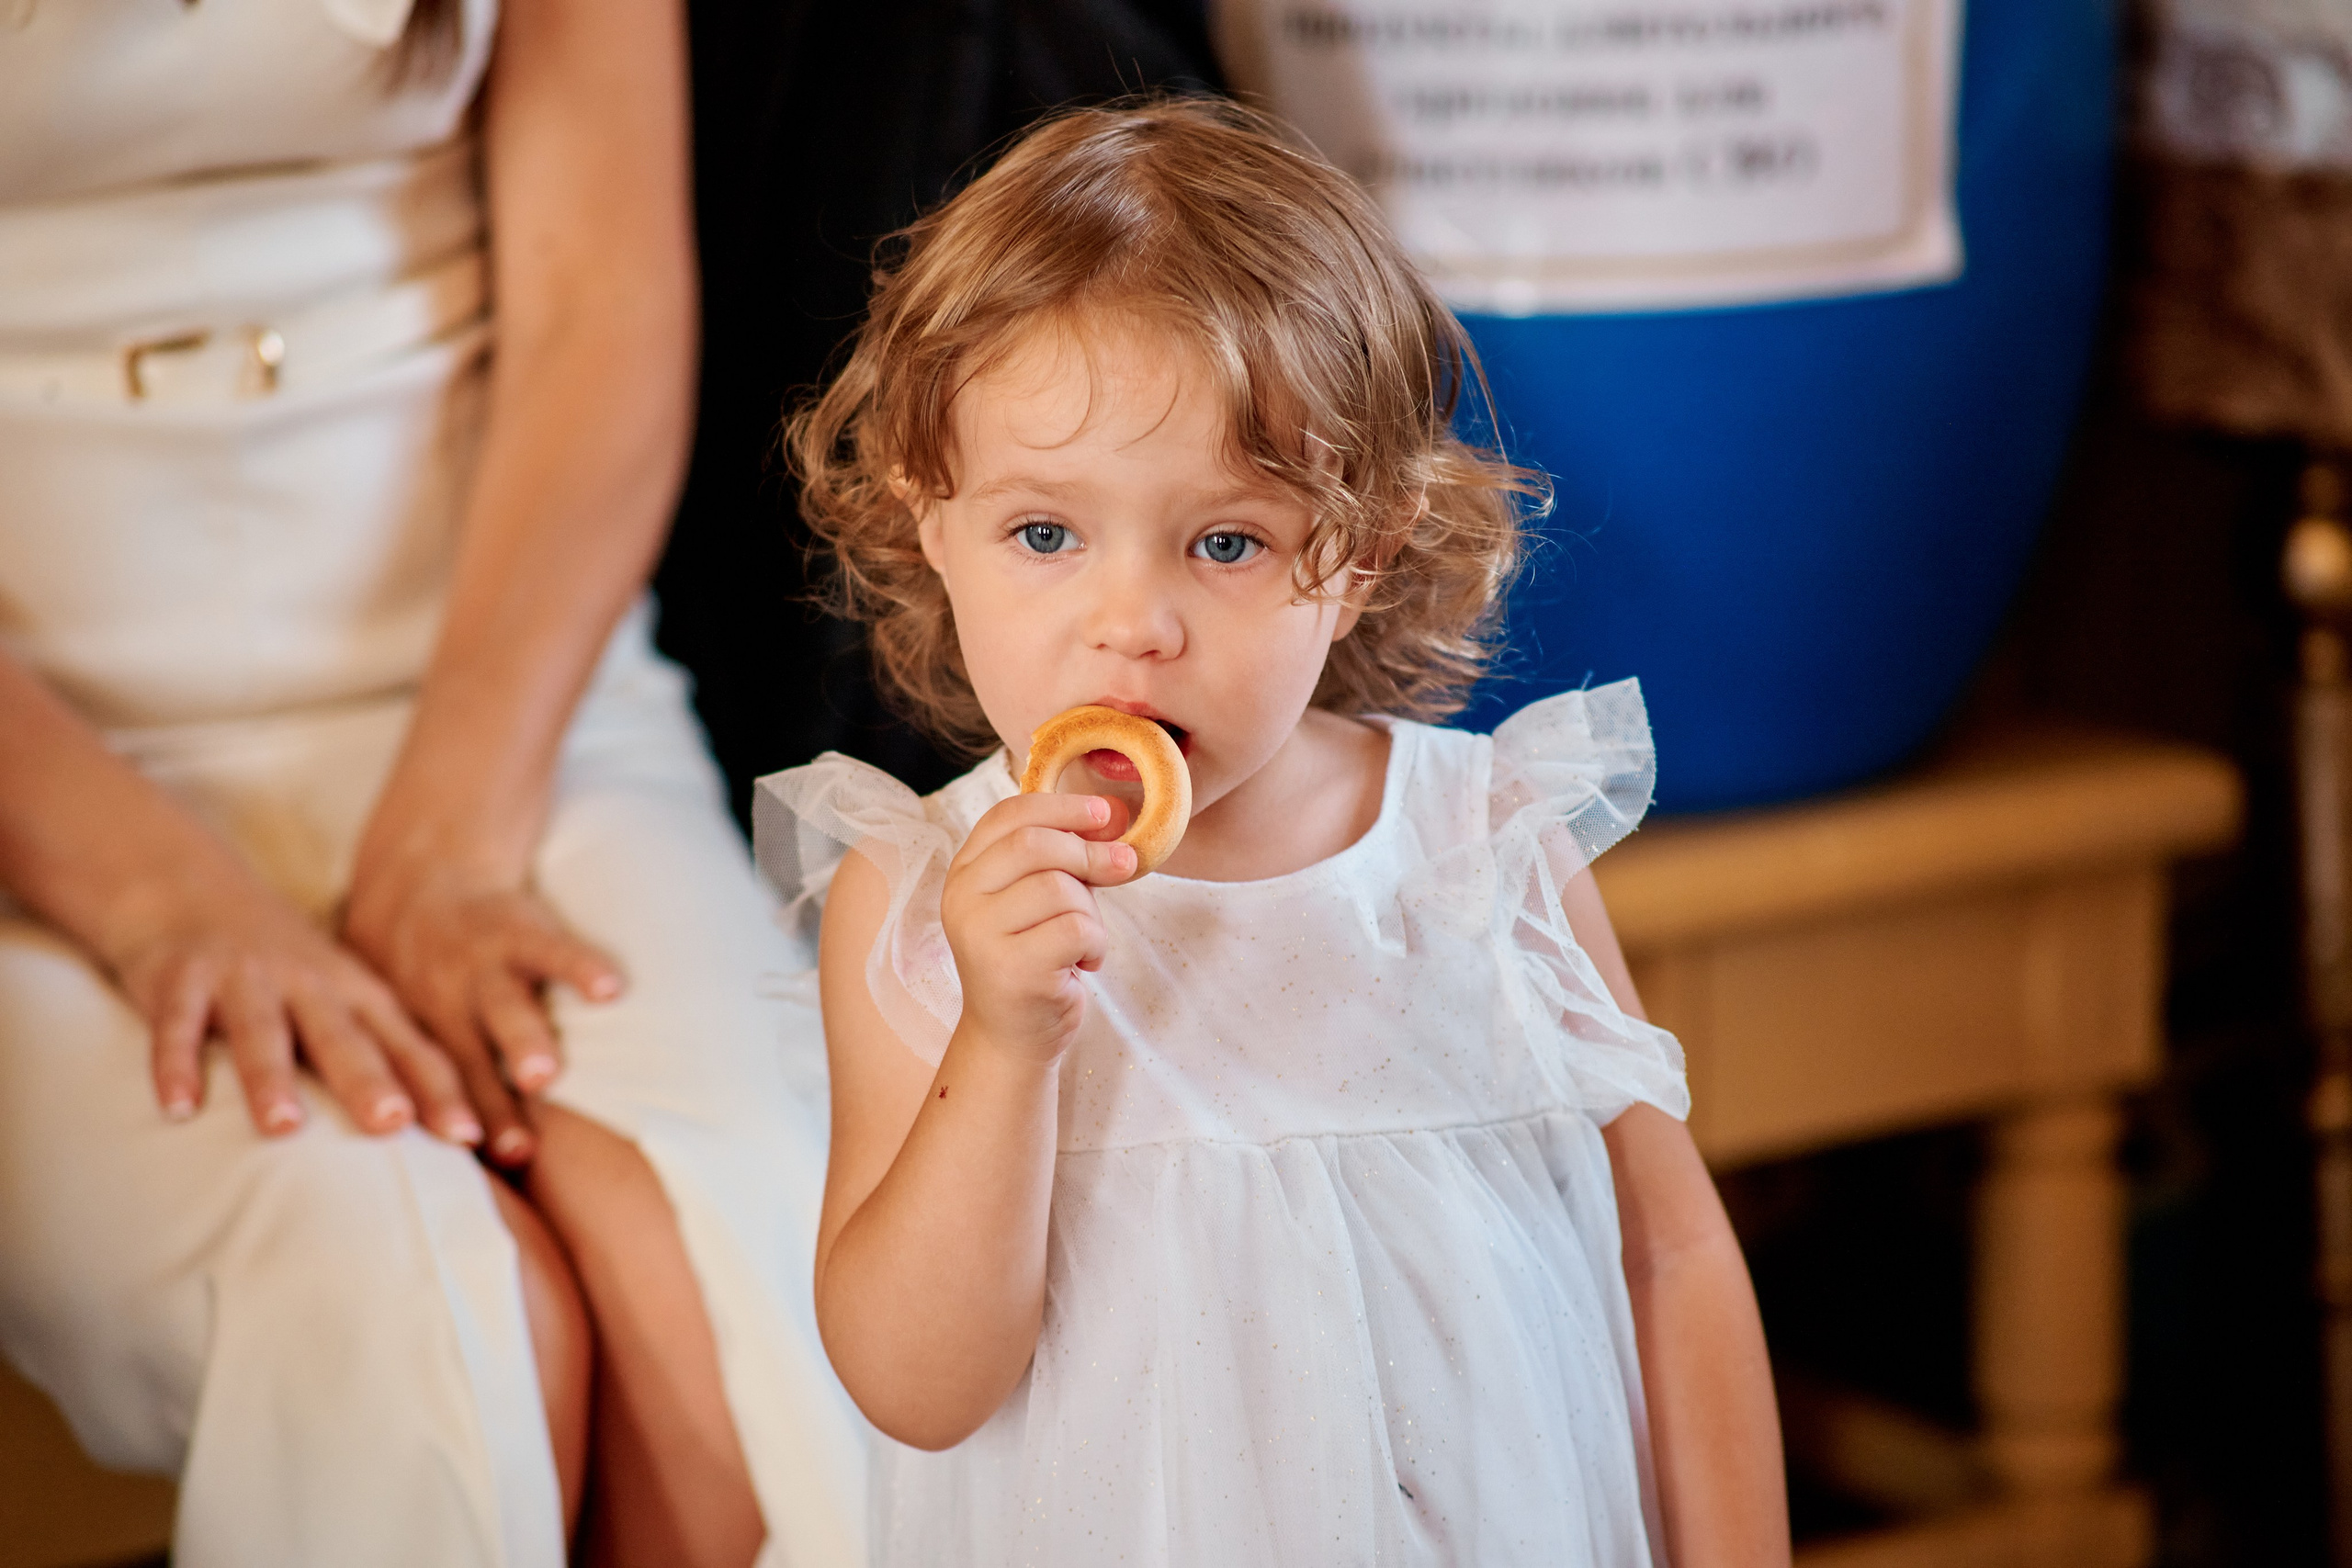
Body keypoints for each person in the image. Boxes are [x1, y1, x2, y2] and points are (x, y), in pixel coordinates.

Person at [760, 98, 1791, 1563]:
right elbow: (918, 1390)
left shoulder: (1479, 845)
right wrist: (1000, 1045)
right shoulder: (919, 903)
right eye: (1045, 534)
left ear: (1360, 555)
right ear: (934, 520)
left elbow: (1665, 1256)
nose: (1132, 625)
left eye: (1225, 541)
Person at [0, 1, 858, 1563]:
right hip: (39, 784)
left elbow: (603, 290)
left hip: (508, 689)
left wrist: (455, 822)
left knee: (737, 1327)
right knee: (423, 1330)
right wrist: (153, 890)